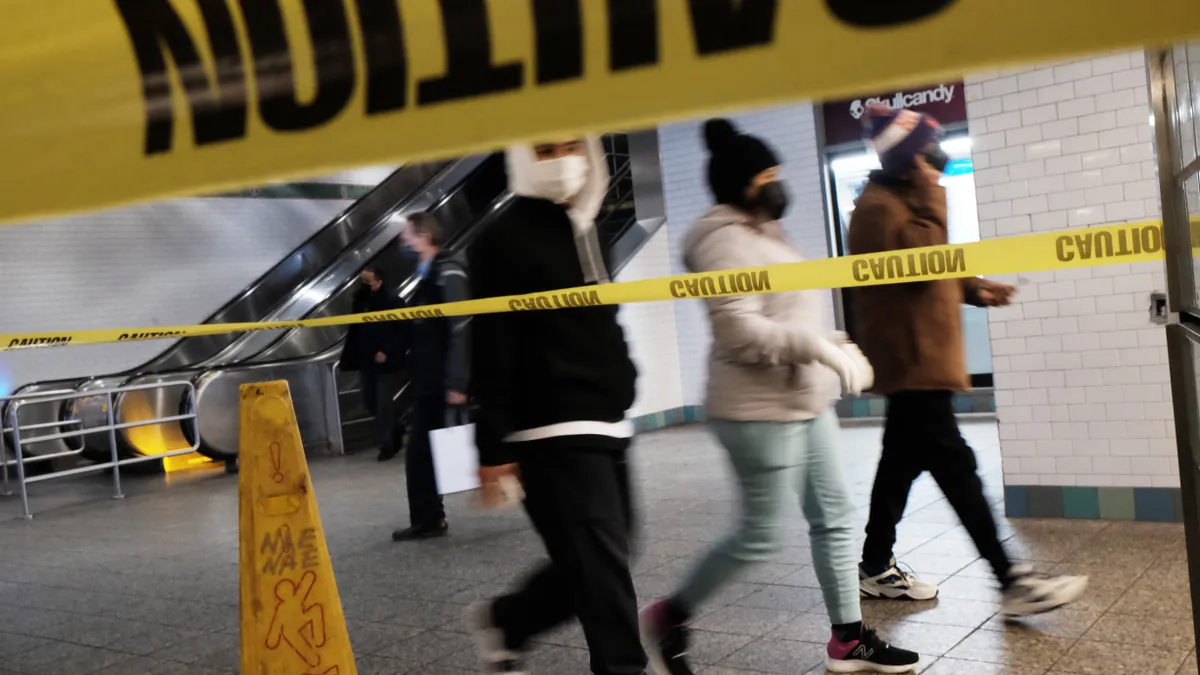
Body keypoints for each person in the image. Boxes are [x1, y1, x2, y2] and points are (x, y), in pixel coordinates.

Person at [639, 119, 920, 675]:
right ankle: (669, 615)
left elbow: (794, 313)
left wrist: (840, 345)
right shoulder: (722, 242)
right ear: (742, 183)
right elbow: (740, 333)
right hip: (756, 409)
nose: (777, 182)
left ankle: (848, 639)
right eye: (768, 174)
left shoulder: (765, 230)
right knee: (760, 536)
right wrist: (820, 350)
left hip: (803, 400)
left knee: (836, 517)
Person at [849, 104, 1088, 615]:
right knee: (957, 467)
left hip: (919, 358)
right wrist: (934, 192)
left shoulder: (901, 199)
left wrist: (975, 290)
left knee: (899, 467)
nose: (937, 159)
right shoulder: (877, 209)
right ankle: (1010, 581)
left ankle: (874, 565)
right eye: (928, 151)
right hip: (912, 362)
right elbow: (917, 267)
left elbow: (932, 264)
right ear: (910, 158)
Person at [465, 137, 647, 675]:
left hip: (607, 420)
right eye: (545, 149)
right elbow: (491, 341)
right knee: (603, 571)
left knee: (603, 559)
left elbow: (599, 320)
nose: (563, 160)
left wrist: (624, 376)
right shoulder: (500, 238)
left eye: (572, 147)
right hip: (548, 427)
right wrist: (492, 443)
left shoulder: (585, 225)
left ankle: (511, 619)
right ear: (522, 157)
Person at [390, 211, 470, 542]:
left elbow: (462, 327)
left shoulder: (447, 271)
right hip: (428, 380)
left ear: (424, 237)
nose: (403, 241)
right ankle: (429, 517)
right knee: (422, 451)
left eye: (407, 234)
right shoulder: (428, 275)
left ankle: (428, 519)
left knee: (421, 452)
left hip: (440, 382)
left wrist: (457, 382)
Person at [339, 267, 405, 462]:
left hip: (386, 361)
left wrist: (387, 351)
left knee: (383, 402)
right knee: (369, 400)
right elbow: (355, 328)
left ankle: (387, 444)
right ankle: (396, 427)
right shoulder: (361, 301)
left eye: (369, 281)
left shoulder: (393, 301)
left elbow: (402, 330)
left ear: (379, 281)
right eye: (364, 282)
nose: (366, 285)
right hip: (366, 359)